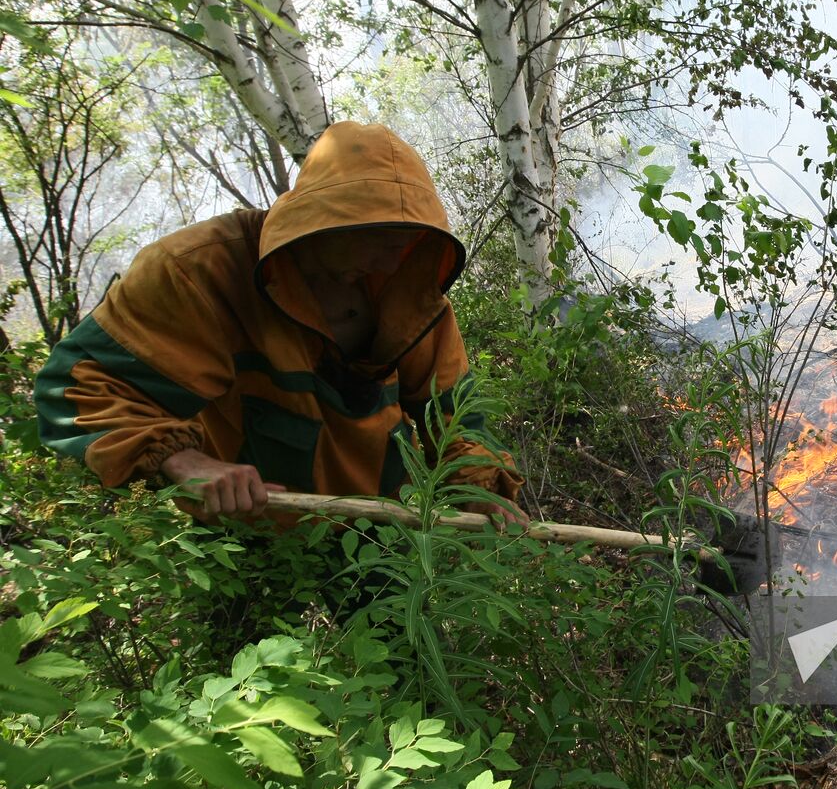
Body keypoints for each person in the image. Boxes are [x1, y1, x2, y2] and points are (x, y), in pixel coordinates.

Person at [33, 121, 524, 527]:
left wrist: (480, 484)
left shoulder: (407, 291)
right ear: (319, 221)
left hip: (378, 531)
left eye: (410, 237)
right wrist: (185, 461)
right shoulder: (197, 273)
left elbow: (455, 415)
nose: (394, 256)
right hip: (246, 536)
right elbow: (81, 386)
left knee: (399, 649)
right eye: (379, 235)